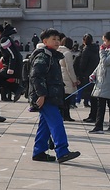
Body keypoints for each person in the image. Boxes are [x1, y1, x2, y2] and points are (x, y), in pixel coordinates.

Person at [27, 29, 80, 163]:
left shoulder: (52, 56)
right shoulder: (43, 56)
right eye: (53, 39)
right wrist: (42, 95)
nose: (57, 42)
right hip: (46, 96)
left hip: (50, 95)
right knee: (57, 123)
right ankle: (62, 151)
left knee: (44, 125)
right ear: (45, 41)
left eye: (58, 39)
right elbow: (36, 76)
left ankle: (38, 151)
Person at [89, 32, 110, 133]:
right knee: (108, 104)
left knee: (103, 104)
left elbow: (105, 62)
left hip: (108, 81)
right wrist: (93, 74)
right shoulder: (108, 51)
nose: (103, 43)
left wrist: (101, 51)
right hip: (103, 80)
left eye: (105, 40)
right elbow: (100, 65)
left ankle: (99, 126)